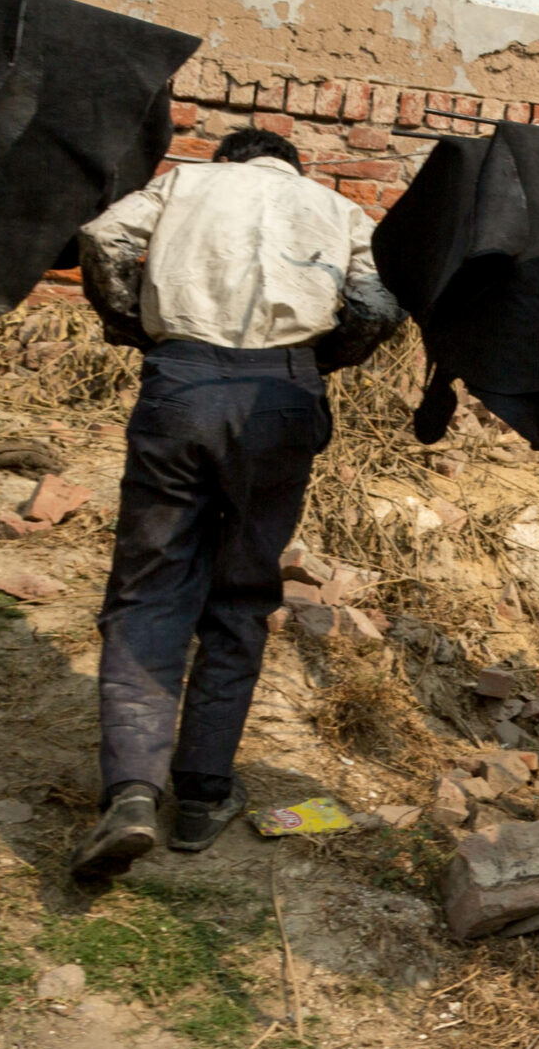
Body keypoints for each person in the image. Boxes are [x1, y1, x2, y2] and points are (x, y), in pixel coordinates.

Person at [67, 127, 399, 880]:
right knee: (242, 592)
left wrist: (130, 326)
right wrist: (316, 362)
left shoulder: (186, 183)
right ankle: (202, 795)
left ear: (228, 158)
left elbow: (102, 238)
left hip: (180, 384)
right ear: (289, 164)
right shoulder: (335, 206)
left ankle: (130, 794)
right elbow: (379, 305)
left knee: (148, 590)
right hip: (281, 397)